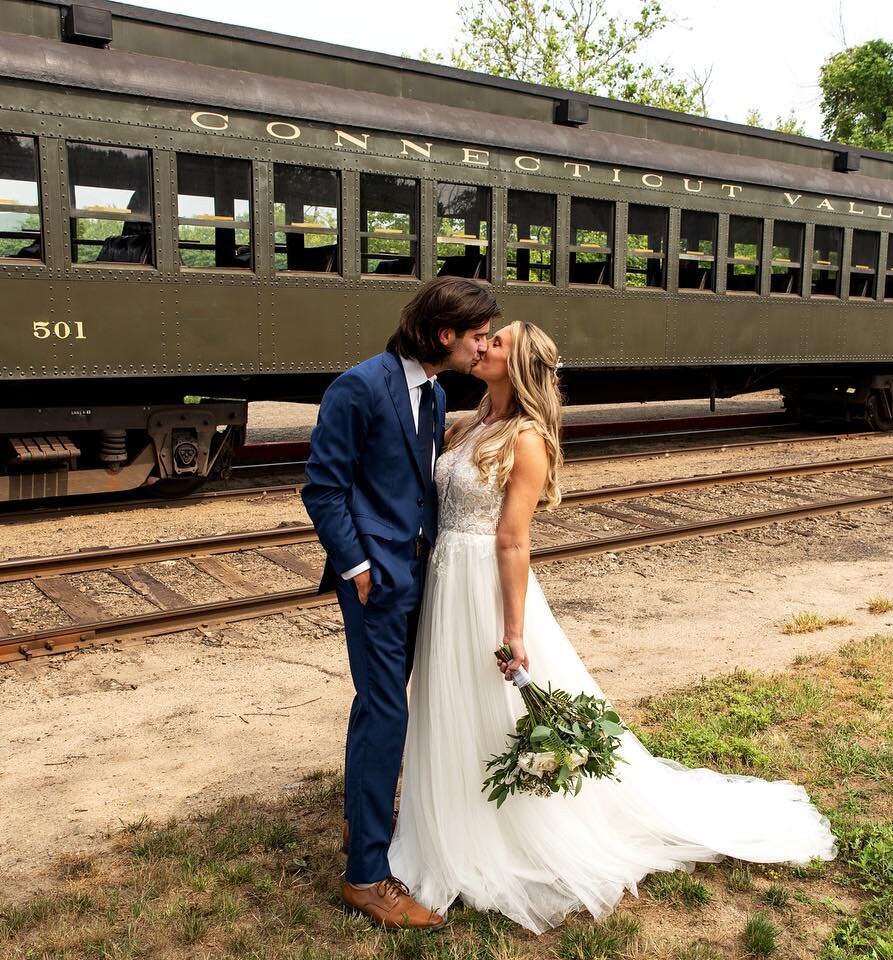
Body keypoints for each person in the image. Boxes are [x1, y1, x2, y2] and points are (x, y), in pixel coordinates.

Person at [388, 321, 838, 933]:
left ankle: (500, 834)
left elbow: (514, 540)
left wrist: (515, 631)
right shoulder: (472, 423)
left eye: (498, 341)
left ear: (517, 364)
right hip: (447, 576)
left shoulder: (526, 441)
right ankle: (451, 814)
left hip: (485, 588)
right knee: (453, 700)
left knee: (492, 701)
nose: (483, 343)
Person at [301, 276, 498, 929]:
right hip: (377, 583)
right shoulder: (360, 387)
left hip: (425, 578)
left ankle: (373, 826)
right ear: (444, 335)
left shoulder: (436, 394)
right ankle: (365, 877)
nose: (484, 347)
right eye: (478, 336)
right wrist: (356, 565)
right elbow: (323, 489)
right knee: (385, 714)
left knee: (387, 713)